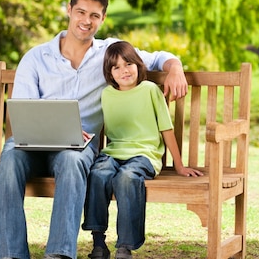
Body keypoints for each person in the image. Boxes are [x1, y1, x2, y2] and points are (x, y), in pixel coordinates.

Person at [0, 0, 188, 259]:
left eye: (94, 15)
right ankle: (12, 255)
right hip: (32, 144)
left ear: (103, 18)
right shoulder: (36, 58)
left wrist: (176, 67)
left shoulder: (108, 54)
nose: (86, 21)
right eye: (81, 12)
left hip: (78, 146)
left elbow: (158, 58)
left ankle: (59, 254)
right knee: (10, 159)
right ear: (69, 10)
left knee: (72, 162)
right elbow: (22, 109)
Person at [82, 41, 203, 259]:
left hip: (144, 155)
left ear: (139, 65)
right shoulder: (107, 95)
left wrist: (179, 165)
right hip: (114, 152)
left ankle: (124, 246)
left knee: (126, 178)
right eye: (116, 67)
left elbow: (166, 129)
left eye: (128, 64)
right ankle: (98, 242)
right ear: (109, 73)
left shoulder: (150, 90)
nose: (124, 70)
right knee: (98, 173)